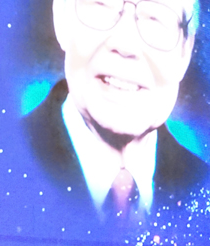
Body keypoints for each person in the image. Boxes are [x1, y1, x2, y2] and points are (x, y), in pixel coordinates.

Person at [24, 0, 208, 226]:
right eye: (102, 6)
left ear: (185, 52)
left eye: (155, 18)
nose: (125, 44)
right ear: (61, 18)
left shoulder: (202, 189)